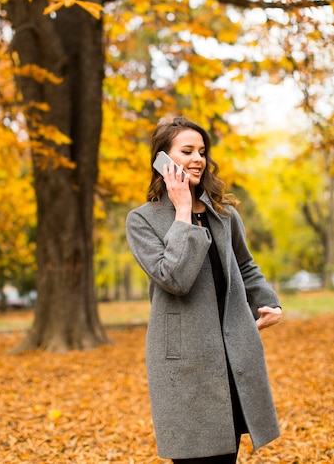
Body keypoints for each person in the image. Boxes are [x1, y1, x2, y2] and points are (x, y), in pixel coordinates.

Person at [126, 116, 282, 464]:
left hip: (232, 355)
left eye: (202, 151)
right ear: (162, 159)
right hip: (186, 362)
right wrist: (183, 210)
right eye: (187, 150)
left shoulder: (224, 214)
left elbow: (245, 265)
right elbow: (174, 278)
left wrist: (268, 302)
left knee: (228, 454)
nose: (198, 158)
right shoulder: (142, 220)